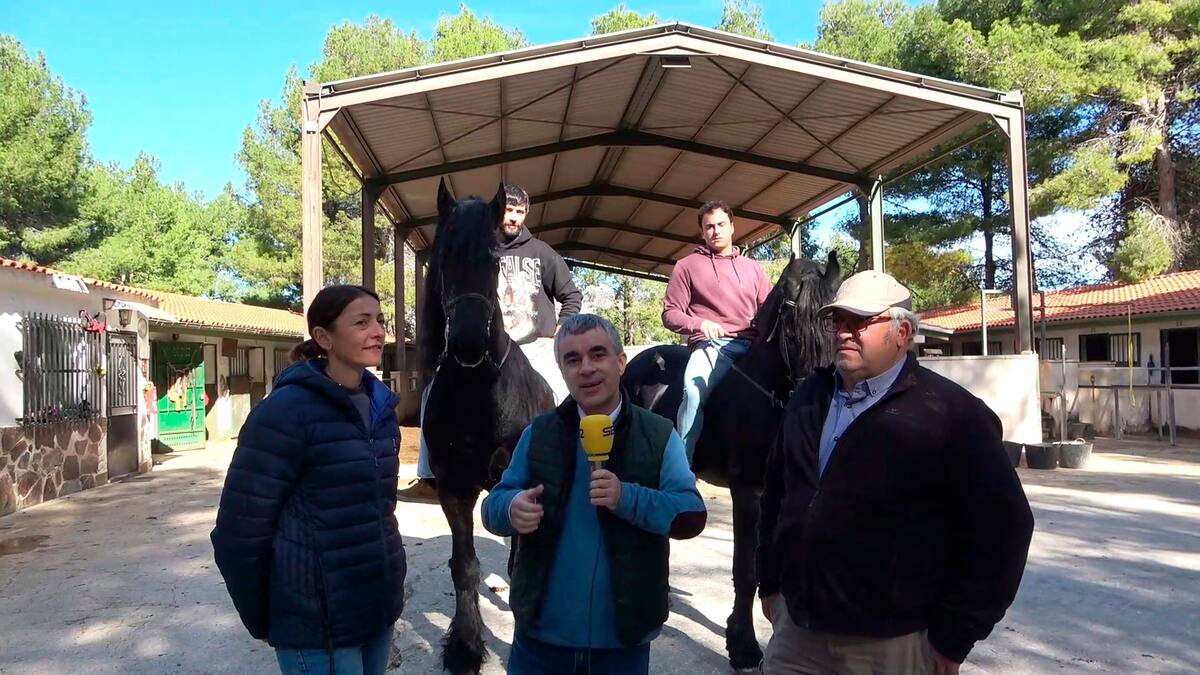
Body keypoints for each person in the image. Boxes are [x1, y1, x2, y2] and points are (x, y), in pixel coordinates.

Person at [756, 271, 1035, 675]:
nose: (843, 333)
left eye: (860, 321)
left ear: (902, 332)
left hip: (890, 645)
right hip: (797, 635)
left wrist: (954, 636)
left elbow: (1005, 528)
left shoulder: (952, 414)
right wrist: (770, 581)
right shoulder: (807, 397)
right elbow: (776, 493)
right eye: (838, 321)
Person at [481, 313, 707, 674]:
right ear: (562, 370)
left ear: (621, 363)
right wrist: (510, 508)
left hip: (622, 645)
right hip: (540, 642)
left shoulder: (660, 435)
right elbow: (492, 507)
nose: (586, 368)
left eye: (597, 354)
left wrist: (627, 498)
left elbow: (690, 515)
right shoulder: (538, 434)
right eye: (572, 359)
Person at [211, 285, 407, 675]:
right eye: (362, 322)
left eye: (381, 321)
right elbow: (238, 533)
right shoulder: (285, 412)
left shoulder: (382, 408)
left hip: (375, 608)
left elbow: (379, 512)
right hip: (316, 624)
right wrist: (268, 619)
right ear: (324, 337)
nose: (379, 332)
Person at [404, 184, 583, 499]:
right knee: (433, 391)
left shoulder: (542, 253)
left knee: (566, 392)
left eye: (518, 212)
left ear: (525, 213)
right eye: (508, 212)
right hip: (483, 343)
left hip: (532, 344)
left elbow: (571, 295)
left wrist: (559, 330)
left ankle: (568, 462)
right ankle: (430, 472)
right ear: (499, 214)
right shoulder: (478, 246)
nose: (513, 218)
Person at [662, 199, 771, 462]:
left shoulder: (753, 268)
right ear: (702, 232)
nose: (716, 231)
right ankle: (682, 468)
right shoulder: (686, 266)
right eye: (709, 226)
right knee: (692, 391)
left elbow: (768, 310)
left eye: (721, 224)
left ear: (732, 227)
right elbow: (670, 313)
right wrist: (700, 324)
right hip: (715, 347)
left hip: (754, 345)